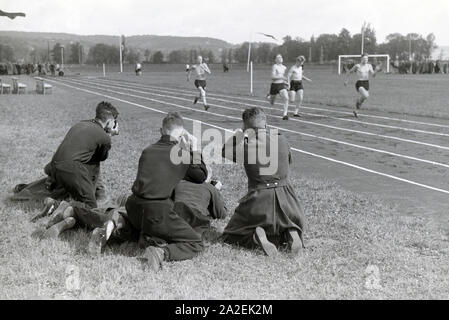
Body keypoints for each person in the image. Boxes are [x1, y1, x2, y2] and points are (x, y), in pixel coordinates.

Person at [125, 112, 208, 271]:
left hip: (134, 207)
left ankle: (133, 231)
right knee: (195, 243)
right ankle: (161, 252)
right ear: (183, 134)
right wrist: (194, 149)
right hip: (157, 212)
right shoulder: (181, 154)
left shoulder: (147, 150)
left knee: (153, 222)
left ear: (161, 130)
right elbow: (200, 176)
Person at [221, 107, 306, 256]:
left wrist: (239, 135)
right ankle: (290, 232)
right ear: (265, 124)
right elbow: (288, 161)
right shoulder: (282, 139)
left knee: (231, 235)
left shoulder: (246, 146)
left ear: (246, 127)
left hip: (259, 202)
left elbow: (225, 151)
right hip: (289, 204)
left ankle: (255, 237)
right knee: (284, 224)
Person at [43, 101, 119, 208]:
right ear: (110, 121)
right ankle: (55, 205)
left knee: (71, 187)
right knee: (91, 207)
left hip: (53, 167)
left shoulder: (80, 124)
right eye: (114, 122)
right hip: (70, 170)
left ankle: (55, 194)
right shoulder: (104, 137)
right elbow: (101, 158)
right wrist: (110, 134)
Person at [344, 53, 380, 118]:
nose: (365, 60)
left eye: (367, 59)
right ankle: (358, 102)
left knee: (364, 98)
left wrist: (376, 71)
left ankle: (356, 111)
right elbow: (349, 72)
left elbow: (373, 75)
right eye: (364, 58)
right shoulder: (357, 66)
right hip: (359, 83)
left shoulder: (369, 66)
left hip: (366, 83)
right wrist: (346, 80)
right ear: (361, 59)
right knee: (366, 95)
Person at [267, 54, 290, 120]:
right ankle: (269, 96)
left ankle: (285, 115)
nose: (281, 58)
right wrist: (282, 77)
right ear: (276, 60)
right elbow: (272, 77)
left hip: (281, 85)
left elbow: (283, 78)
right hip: (274, 85)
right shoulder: (275, 66)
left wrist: (286, 83)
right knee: (272, 102)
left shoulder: (284, 67)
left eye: (281, 57)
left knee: (286, 98)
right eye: (279, 57)